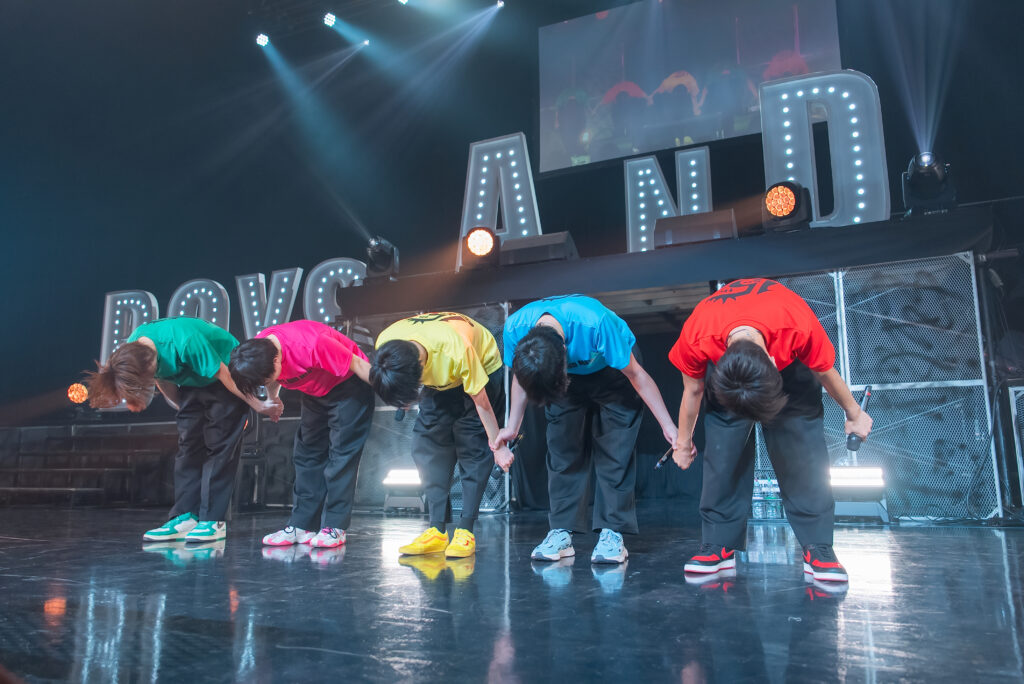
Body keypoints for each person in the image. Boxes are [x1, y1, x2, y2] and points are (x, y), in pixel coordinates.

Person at [668, 278, 872, 582]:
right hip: (733, 373)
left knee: (801, 449)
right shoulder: (698, 334)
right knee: (723, 449)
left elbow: (824, 370)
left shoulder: (795, 324)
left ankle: (817, 545)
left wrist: (854, 413)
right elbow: (693, 390)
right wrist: (683, 443)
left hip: (792, 368)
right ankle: (718, 543)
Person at [496, 295, 678, 565]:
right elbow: (521, 378)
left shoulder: (595, 323)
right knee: (562, 450)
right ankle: (561, 532)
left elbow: (637, 375)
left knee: (615, 451)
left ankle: (612, 532)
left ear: (565, 353)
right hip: (563, 378)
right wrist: (512, 426)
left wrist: (668, 425)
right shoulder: (514, 329)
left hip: (614, 373)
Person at [86, 317, 282, 543]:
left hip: (228, 375)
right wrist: (187, 413)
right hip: (192, 381)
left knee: (219, 448)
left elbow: (222, 373)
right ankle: (185, 517)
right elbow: (162, 379)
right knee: (188, 448)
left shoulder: (185, 341)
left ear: (150, 362)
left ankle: (212, 521)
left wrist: (257, 404)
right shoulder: (134, 348)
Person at [371, 312, 513, 559]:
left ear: (420, 369)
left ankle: (465, 530)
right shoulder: (386, 344)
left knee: (472, 443)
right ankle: (436, 530)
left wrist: (497, 445)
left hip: (481, 367)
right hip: (440, 377)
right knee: (426, 445)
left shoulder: (455, 349)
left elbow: (481, 402)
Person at [228, 320, 375, 550]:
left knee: (341, 456)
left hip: (350, 385)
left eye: (266, 380)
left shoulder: (312, 344)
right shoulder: (259, 349)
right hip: (314, 391)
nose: (267, 383)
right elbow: (271, 377)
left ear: (276, 360)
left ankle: (334, 527)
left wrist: (395, 393)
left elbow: (360, 365)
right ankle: (302, 525)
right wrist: (272, 398)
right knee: (306, 455)